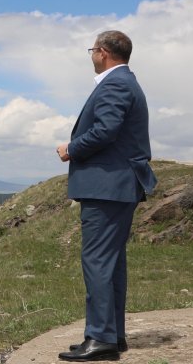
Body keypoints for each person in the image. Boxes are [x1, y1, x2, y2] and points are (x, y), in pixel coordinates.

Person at [55, 30, 157, 362]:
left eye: (92, 51)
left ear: (102, 52)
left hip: (107, 186)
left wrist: (70, 148)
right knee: (111, 263)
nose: (91, 56)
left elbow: (105, 130)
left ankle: (100, 338)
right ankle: (112, 336)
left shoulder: (115, 84)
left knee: (97, 261)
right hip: (118, 185)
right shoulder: (127, 82)